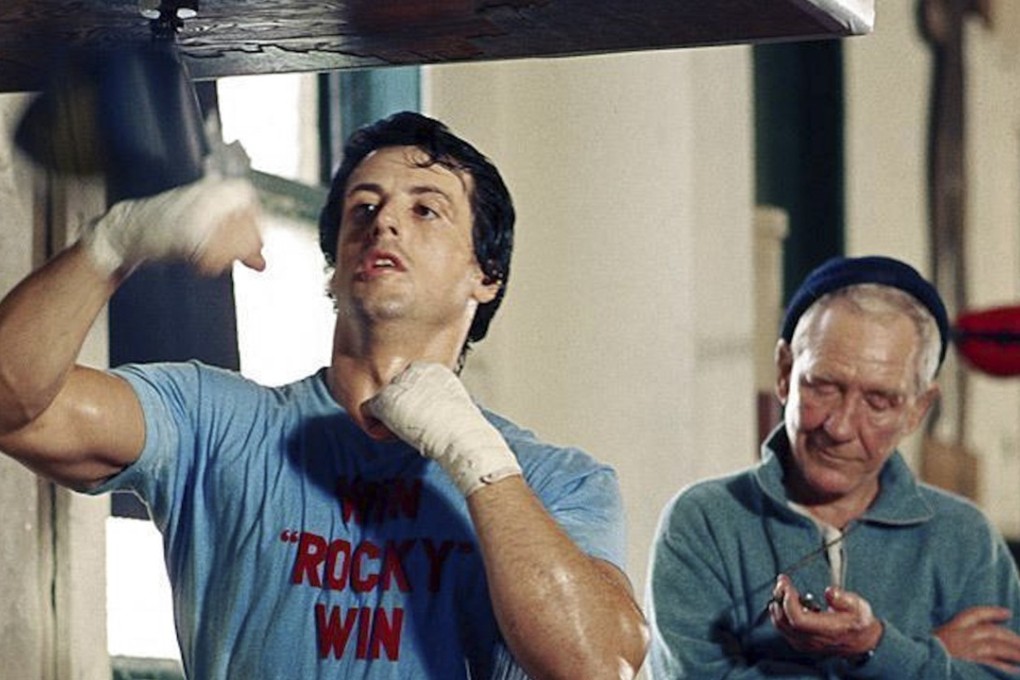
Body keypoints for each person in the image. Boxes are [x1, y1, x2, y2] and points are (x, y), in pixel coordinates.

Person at [0, 111, 648, 678]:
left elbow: (598, 665)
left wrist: (477, 457)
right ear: (335, 268)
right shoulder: (214, 421)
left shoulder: (557, 481)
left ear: (486, 276)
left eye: (426, 209)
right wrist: (115, 242)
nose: (385, 221)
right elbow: (11, 401)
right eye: (363, 208)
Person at [646, 255, 1020, 678]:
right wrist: (915, 656)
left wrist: (876, 646)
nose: (840, 427)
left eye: (879, 401)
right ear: (785, 373)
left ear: (918, 409)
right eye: (823, 386)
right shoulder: (705, 521)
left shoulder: (965, 538)